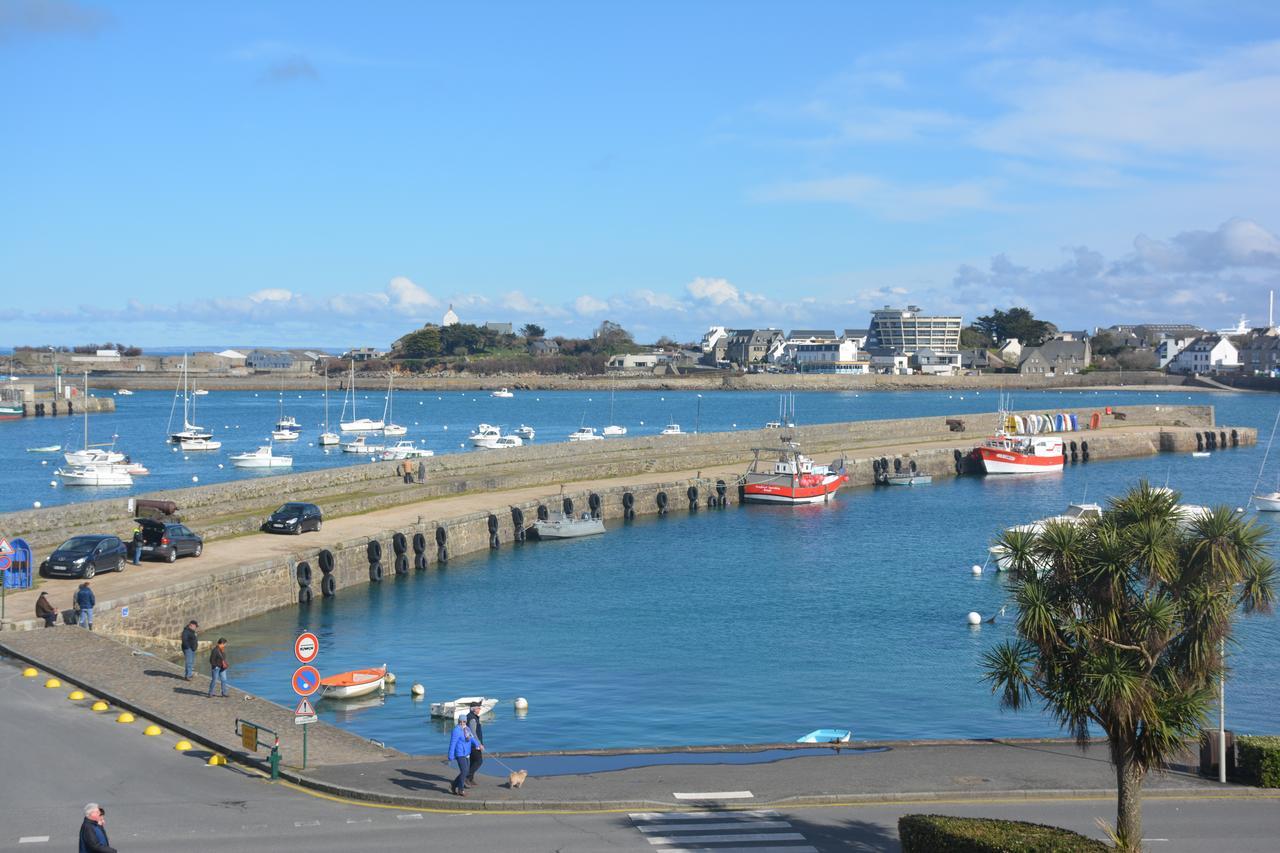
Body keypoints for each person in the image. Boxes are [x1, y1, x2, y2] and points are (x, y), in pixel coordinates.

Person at [446, 719, 480, 796]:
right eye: (460, 721)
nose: (462, 723)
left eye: (464, 721)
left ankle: (453, 785)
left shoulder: (467, 729)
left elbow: (472, 738)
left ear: (466, 722)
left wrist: (477, 745)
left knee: (466, 772)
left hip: (467, 753)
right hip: (460, 753)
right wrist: (450, 755)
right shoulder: (456, 730)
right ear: (458, 722)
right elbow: (453, 743)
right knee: (464, 771)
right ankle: (461, 790)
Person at [465, 702, 485, 785]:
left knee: (473, 761)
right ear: (474, 709)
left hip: (472, 743)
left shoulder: (471, 716)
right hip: (474, 744)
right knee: (479, 761)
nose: (480, 709)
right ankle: (467, 777)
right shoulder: (472, 719)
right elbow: (473, 733)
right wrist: (479, 744)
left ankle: (470, 779)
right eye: (478, 708)